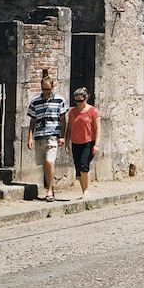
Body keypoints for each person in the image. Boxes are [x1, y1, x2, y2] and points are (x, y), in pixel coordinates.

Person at [25, 71, 67, 202]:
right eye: (43, 89)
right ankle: (51, 190)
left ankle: (49, 191)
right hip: (39, 135)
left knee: (50, 161)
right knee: (44, 164)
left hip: (53, 136)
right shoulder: (35, 101)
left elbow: (63, 119)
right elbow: (32, 120)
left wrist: (62, 136)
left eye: (48, 89)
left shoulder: (60, 100)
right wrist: (30, 137)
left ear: (52, 87)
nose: (45, 91)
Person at [67, 87, 99, 197]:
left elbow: (98, 128)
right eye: (76, 101)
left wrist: (96, 145)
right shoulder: (72, 112)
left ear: (86, 99)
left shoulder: (93, 111)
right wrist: (67, 142)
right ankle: (83, 189)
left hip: (88, 142)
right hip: (76, 142)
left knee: (84, 165)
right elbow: (69, 128)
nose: (78, 103)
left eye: (81, 101)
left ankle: (86, 190)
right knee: (78, 169)